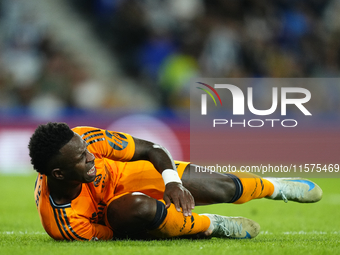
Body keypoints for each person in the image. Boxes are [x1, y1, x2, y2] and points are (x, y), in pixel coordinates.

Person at [29, 122, 322, 241]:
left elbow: (151, 150)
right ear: (59, 174)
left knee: (223, 187)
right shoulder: (62, 222)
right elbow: (120, 237)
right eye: (81, 159)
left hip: (128, 174)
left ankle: (277, 187)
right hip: (116, 210)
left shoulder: (88, 139)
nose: (90, 157)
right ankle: (214, 225)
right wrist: (183, 225)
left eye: (87, 151)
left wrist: (172, 183)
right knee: (132, 211)